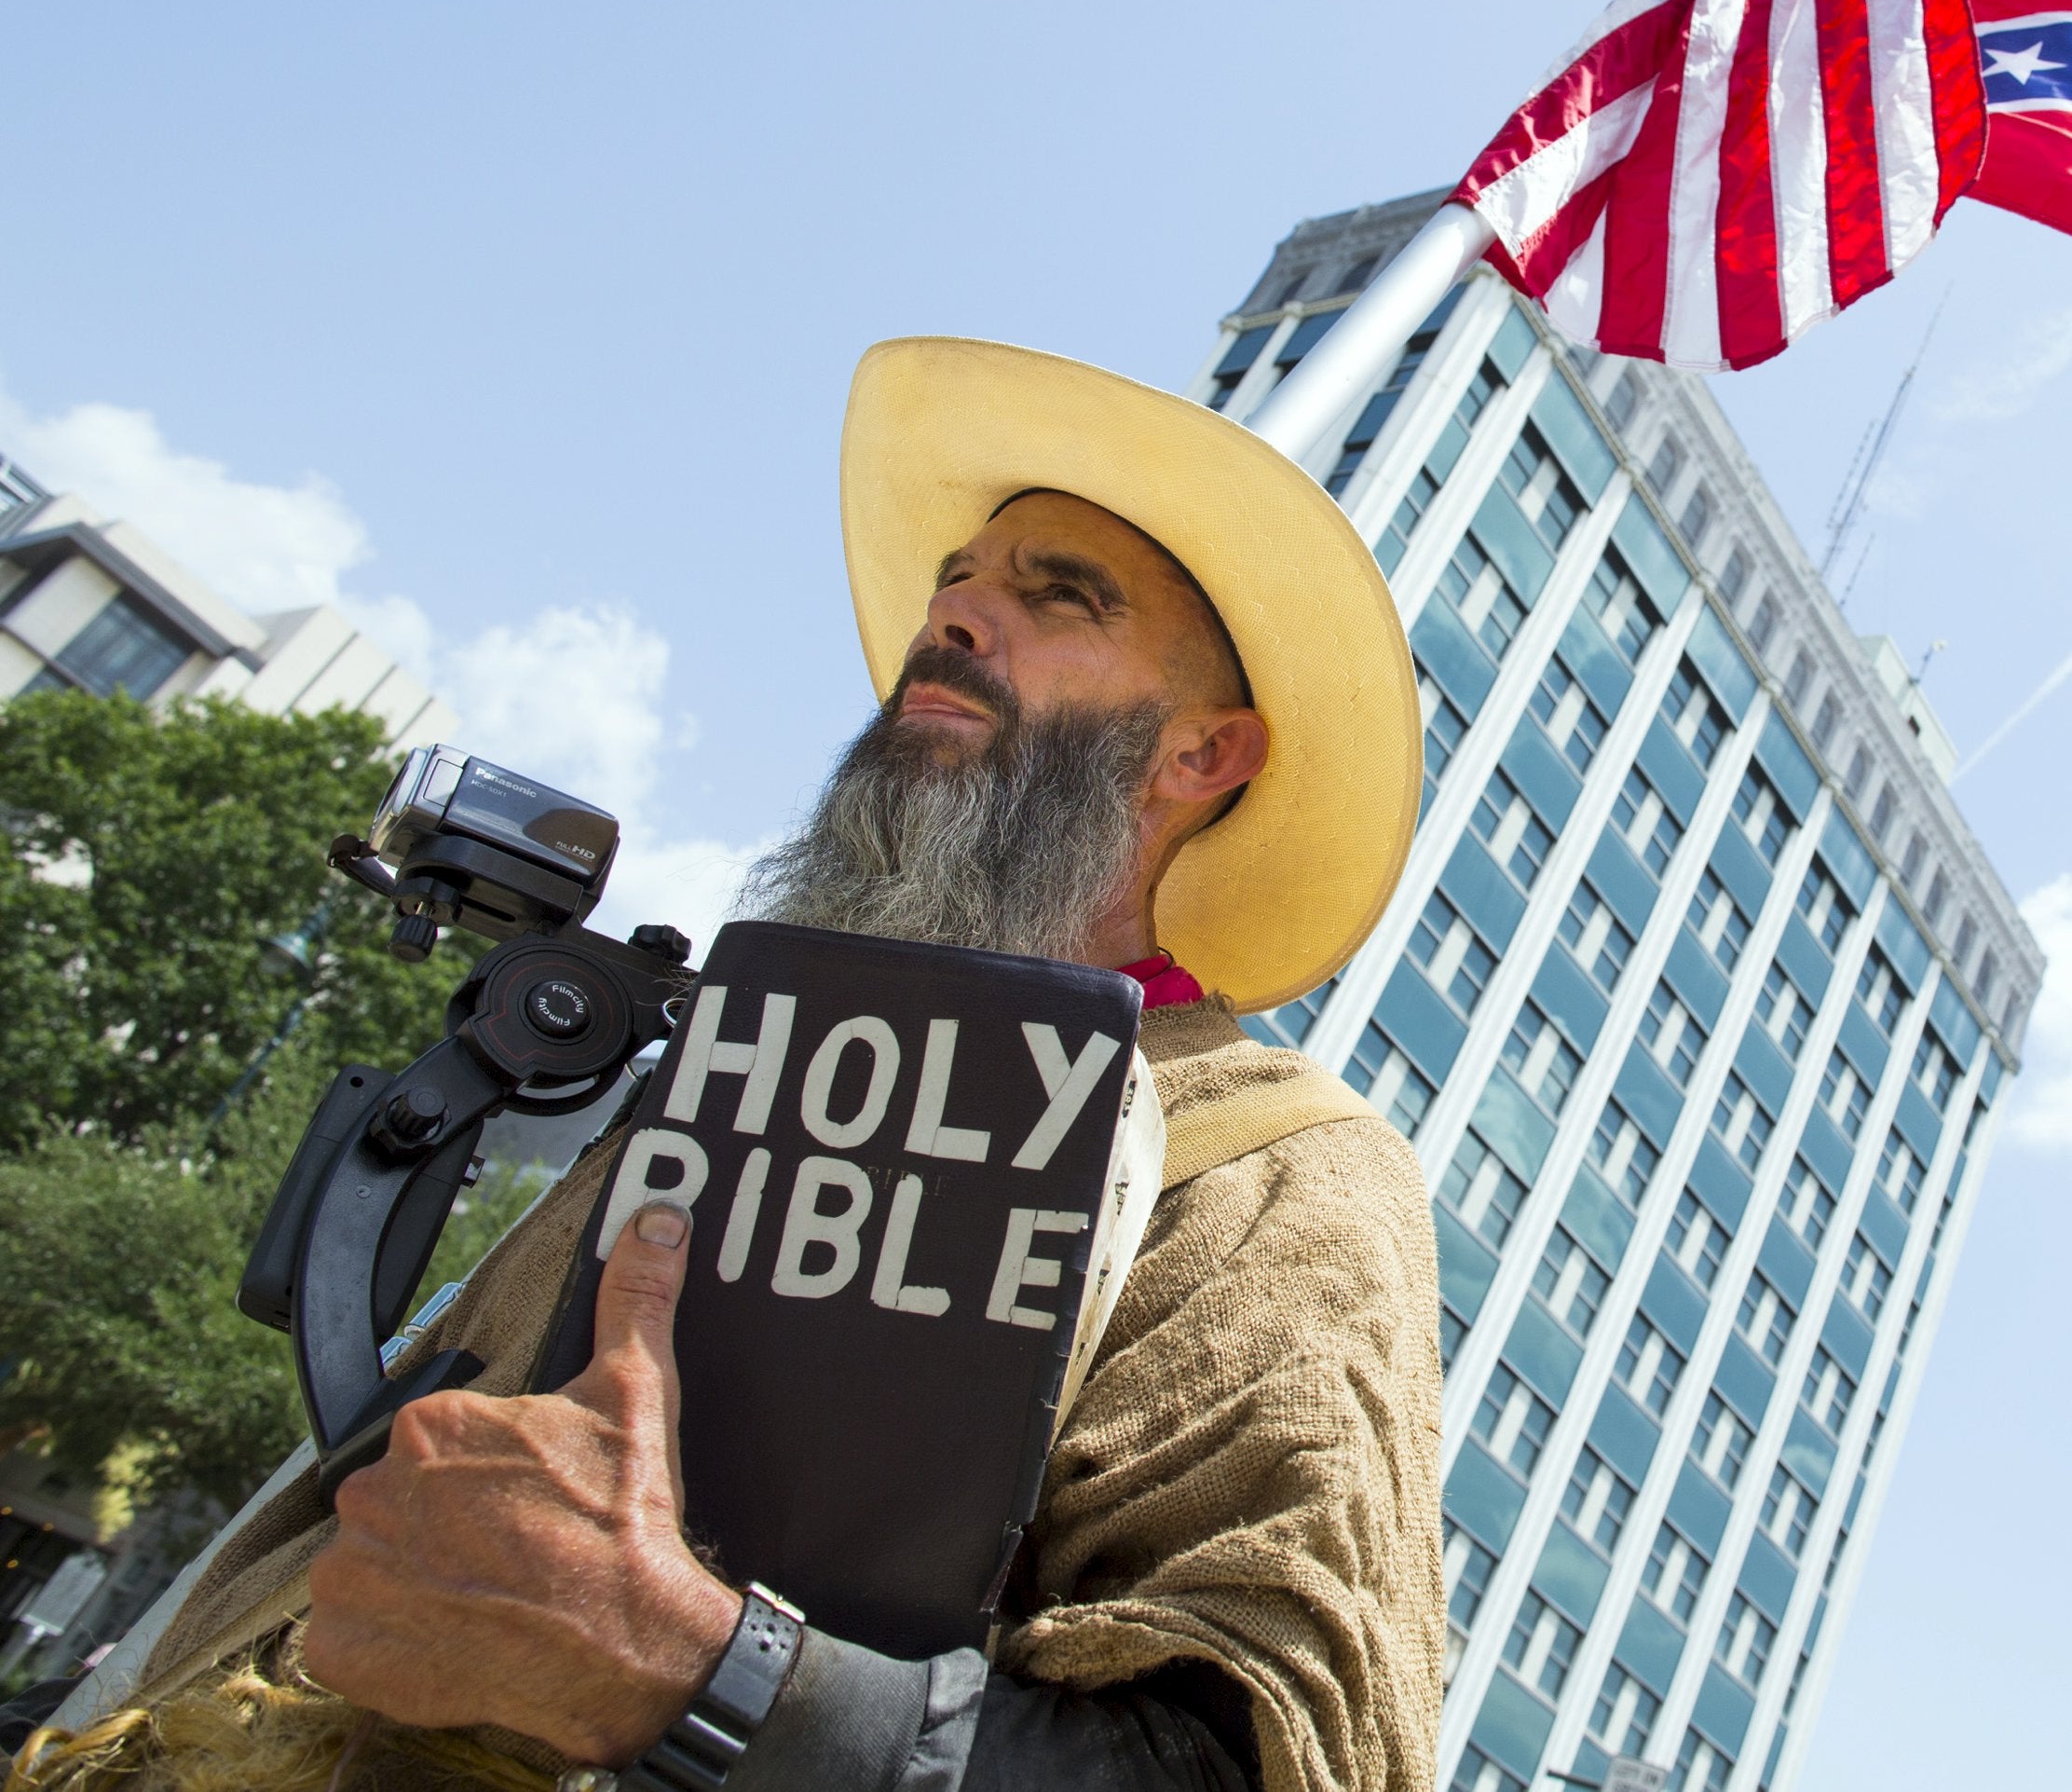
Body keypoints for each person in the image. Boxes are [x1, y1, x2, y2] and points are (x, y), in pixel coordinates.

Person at [15, 338, 1440, 1792]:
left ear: (1205, 754)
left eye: (1054, 596)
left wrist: (691, 1663)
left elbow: (1265, 1760)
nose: (952, 613)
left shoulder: (1278, 1163)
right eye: (956, 577)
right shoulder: (737, 1048)